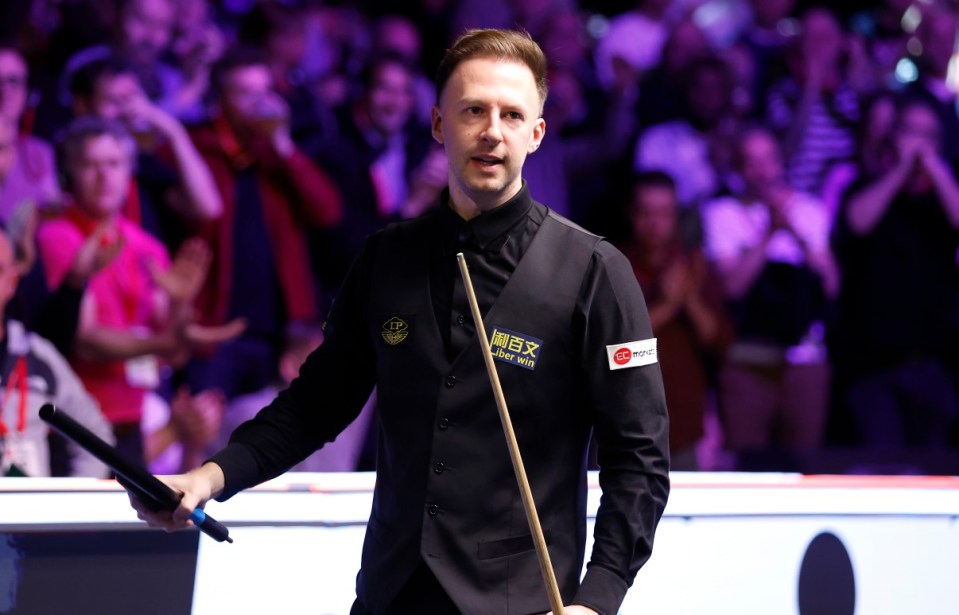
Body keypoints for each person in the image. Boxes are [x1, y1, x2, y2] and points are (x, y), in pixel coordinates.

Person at [130, 29, 670, 615]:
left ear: (536, 133)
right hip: (391, 595)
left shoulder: (595, 271)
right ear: (439, 124)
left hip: (525, 602)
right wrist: (208, 478)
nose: (492, 130)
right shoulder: (385, 258)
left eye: (513, 114)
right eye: (473, 110)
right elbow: (315, 405)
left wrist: (599, 597)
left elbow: (638, 458)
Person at [834, 97, 959, 451]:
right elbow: (858, 222)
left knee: (933, 477)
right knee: (883, 472)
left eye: (929, 135)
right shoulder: (864, 187)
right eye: (911, 132)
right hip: (873, 367)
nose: (919, 144)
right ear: (893, 137)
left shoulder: (944, 198)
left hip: (933, 366)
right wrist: (901, 170)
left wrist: (935, 171)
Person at [0, 229, 113, 478]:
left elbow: (95, 435)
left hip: (30, 513)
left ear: (12, 282)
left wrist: (70, 508)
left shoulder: (38, 355)